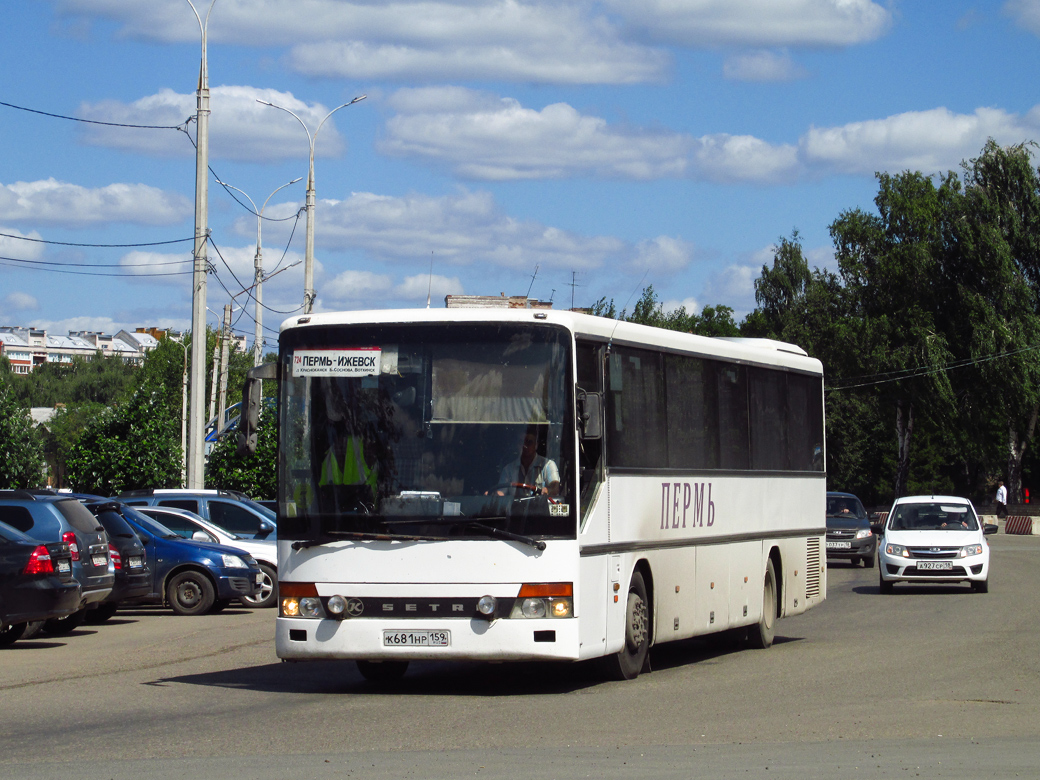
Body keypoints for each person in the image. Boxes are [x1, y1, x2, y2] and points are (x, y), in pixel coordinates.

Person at [495, 426, 560, 497]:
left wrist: (548, 490)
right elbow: (501, 493)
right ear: (517, 445)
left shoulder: (548, 465)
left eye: (529, 442)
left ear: (536, 445)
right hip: (515, 507)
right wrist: (493, 495)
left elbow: (555, 486)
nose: (524, 446)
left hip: (540, 507)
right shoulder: (508, 469)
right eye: (521, 442)